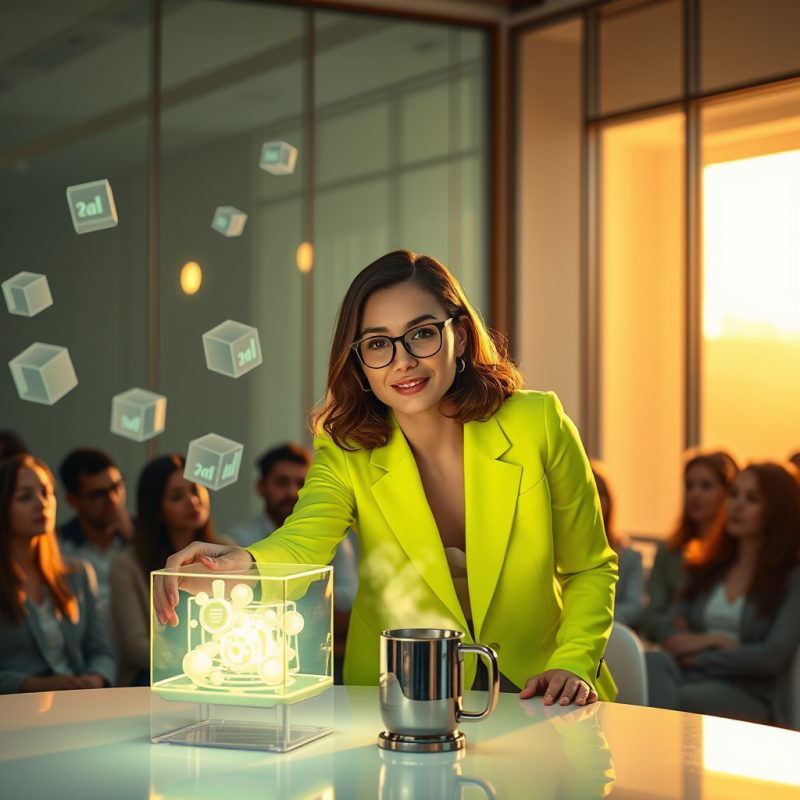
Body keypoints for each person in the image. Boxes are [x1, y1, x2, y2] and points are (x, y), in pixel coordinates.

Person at [154, 249, 619, 707]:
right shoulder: (345, 449)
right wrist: (240, 566)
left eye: (421, 334)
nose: (403, 361)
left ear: (458, 333)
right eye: (378, 343)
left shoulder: (537, 422)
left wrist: (574, 662)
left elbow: (590, 567)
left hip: (542, 689)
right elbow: (301, 544)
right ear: (358, 362)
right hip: (398, 694)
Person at [646, 462, 800, 727]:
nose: (737, 505)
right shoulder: (704, 565)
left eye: (752, 499)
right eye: (734, 494)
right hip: (690, 673)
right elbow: (669, 632)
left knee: (678, 699)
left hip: (751, 691)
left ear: (778, 510)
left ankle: (653, 766)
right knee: (652, 663)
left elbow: (771, 656)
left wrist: (701, 651)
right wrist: (719, 641)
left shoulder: (792, 577)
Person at [230, 442, 360, 683]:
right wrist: (317, 598)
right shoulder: (240, 540)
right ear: (261, 487)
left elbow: (351, 597)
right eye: (281, 482)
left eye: (301, 483)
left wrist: (279, 596)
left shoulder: (336, 540)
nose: (292, 492)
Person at [0, 455, 116, 693]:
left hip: (78, 703)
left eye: (46, 492)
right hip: (16, 712)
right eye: (25, 497)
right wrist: (33, 684)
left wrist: (95, 678)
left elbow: (102, 652)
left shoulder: (78, 573)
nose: (41, 503)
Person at [109, 454, 220, 686]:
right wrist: (191, 662)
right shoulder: (127, 564)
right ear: (156, 509)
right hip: (156, 675)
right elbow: (134, 645)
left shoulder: (225, 550)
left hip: (221, 670)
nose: (192, 501)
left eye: (195, 489)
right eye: (177, 496)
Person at [642, 450, 738, 642]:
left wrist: (698, 635)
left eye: (706, 486)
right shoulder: (668, 551)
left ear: (728, 492)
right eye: (689, 486)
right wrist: (677, 632)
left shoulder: (740, 553)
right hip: (674, 651)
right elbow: (650, 620)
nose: (695, 494)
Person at [58, 449, 135, 635]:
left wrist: (135, 541)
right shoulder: (59, 545)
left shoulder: (145, 535)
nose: (113, 499)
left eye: (117, 487)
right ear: (72, 500)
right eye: (98, 494)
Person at [591, 461, 643, 629]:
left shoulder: (630, 557)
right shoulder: (555, 552)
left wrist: (590, 618)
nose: (594, 499)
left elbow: (634, 609)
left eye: (600, 493)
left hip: (612, 637)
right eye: (585, 491)